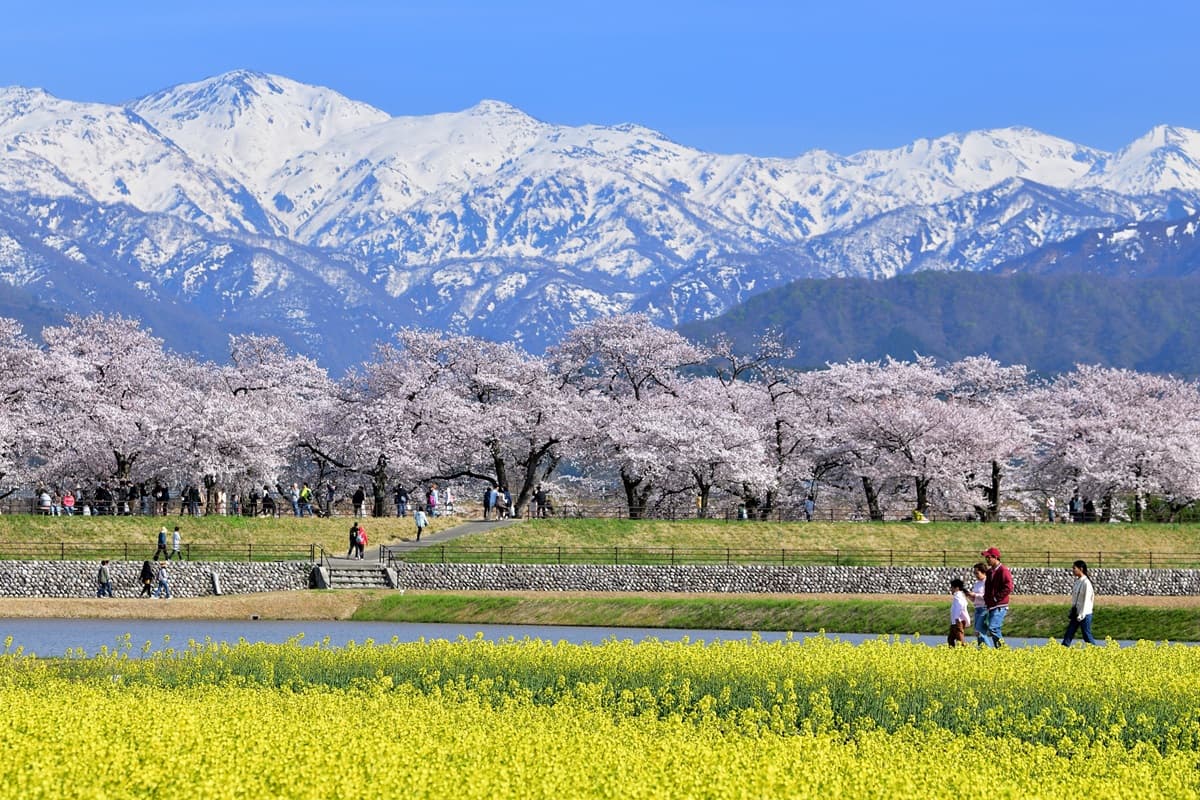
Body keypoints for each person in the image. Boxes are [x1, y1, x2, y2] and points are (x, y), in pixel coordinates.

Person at [981, 547, 1013, 648]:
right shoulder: (990, 572)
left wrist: (996, 598)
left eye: (988, 557)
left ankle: (1002, 649)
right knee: (994, 629)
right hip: (991, 605)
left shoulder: (1003, 570)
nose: (986, 559)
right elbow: (987, 588)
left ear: (995, 557)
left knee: (993, 628)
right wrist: (987, 600)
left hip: (1000, 605)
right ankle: (1000, 650)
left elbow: (1009, 587)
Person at [1062, 559, 1097, 646]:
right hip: (1076, 613)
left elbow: (1087, 600)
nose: (1072, 570)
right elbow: (1075, 598)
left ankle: (1096, 651)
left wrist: (1081, 614)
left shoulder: (1086, 583)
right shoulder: (1078, 582)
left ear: (1081, 569)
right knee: (1069, 633)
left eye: (1074, 568)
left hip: (1084, 614)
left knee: (1086, 635)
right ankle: (1062, 650)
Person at [968, 562, 989, 647]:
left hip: (985, 609)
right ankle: (982, 651)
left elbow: (987, 596)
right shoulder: (977, 583)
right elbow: (975, 599)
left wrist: (975, 595)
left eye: (977, 573)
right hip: (977, 609)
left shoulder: (987, 582)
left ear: (983, 572)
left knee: (979, 631)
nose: (975, 575)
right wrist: (970, 596)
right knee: (978, 633)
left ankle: (990, 651)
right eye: (974, 573)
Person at [948, 578, 970, 647]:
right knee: (951, 639)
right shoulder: (959, 595)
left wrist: (957, 618)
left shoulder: (958, 595)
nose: (951, 589)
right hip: (955, 621)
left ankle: (965, 652)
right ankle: (953, 654)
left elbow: (960, 605)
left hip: (958, 621)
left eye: (952, 587)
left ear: (956, 588)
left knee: (960, 639)